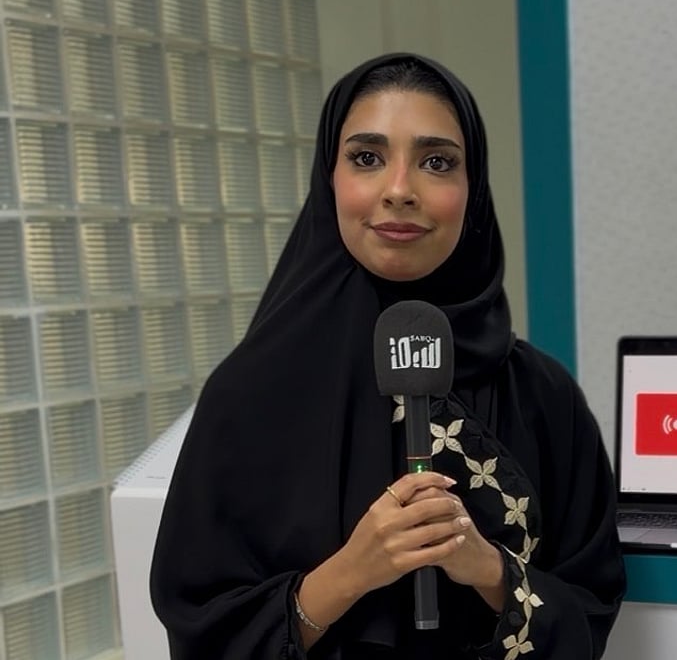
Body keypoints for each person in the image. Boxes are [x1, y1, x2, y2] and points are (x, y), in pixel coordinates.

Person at [150, 53, 626, 658]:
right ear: (329, 178)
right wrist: (352, 572)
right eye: (367, 158)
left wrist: (488, 569)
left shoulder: (543, 396)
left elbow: (589, 609)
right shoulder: (249, 396)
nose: (400, 190)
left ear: (474, 188)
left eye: (437, 162)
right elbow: (203, 631)